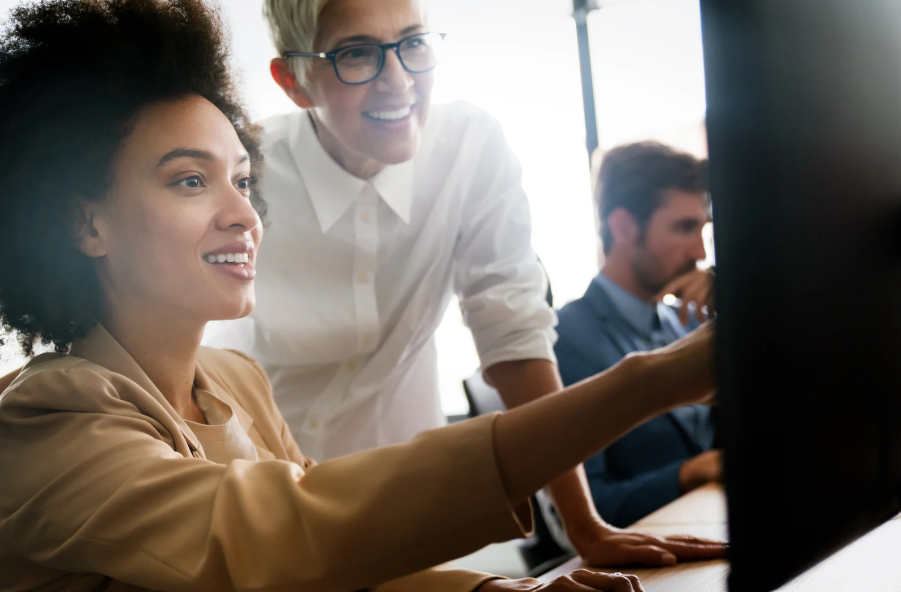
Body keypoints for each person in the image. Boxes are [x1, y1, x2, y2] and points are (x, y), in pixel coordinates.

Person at [0, 1, 722, 591]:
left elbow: (330, 568)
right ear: (85, 222)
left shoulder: (231, 382)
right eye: (191, 180)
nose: (246, 216)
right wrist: (652, 380)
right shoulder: (48, 421)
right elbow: (292, 535)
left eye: (242, 182)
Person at [200, 0, 726, 567]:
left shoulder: (469, 148)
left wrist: (584, 526)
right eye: (356, 53)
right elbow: (213, 366)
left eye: (413, 43)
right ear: (293, 81)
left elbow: (513, 337)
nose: (398, 81)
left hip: (410, 508)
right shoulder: (245, 179)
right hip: (272, 509)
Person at [554, 142, 720, 529]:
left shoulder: (686, 323)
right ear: (624, 227)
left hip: (710, 525)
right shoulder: (568, 338)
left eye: (703, 229)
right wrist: (690, 471)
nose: (699, 250)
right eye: (684, 227)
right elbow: (588, 507)